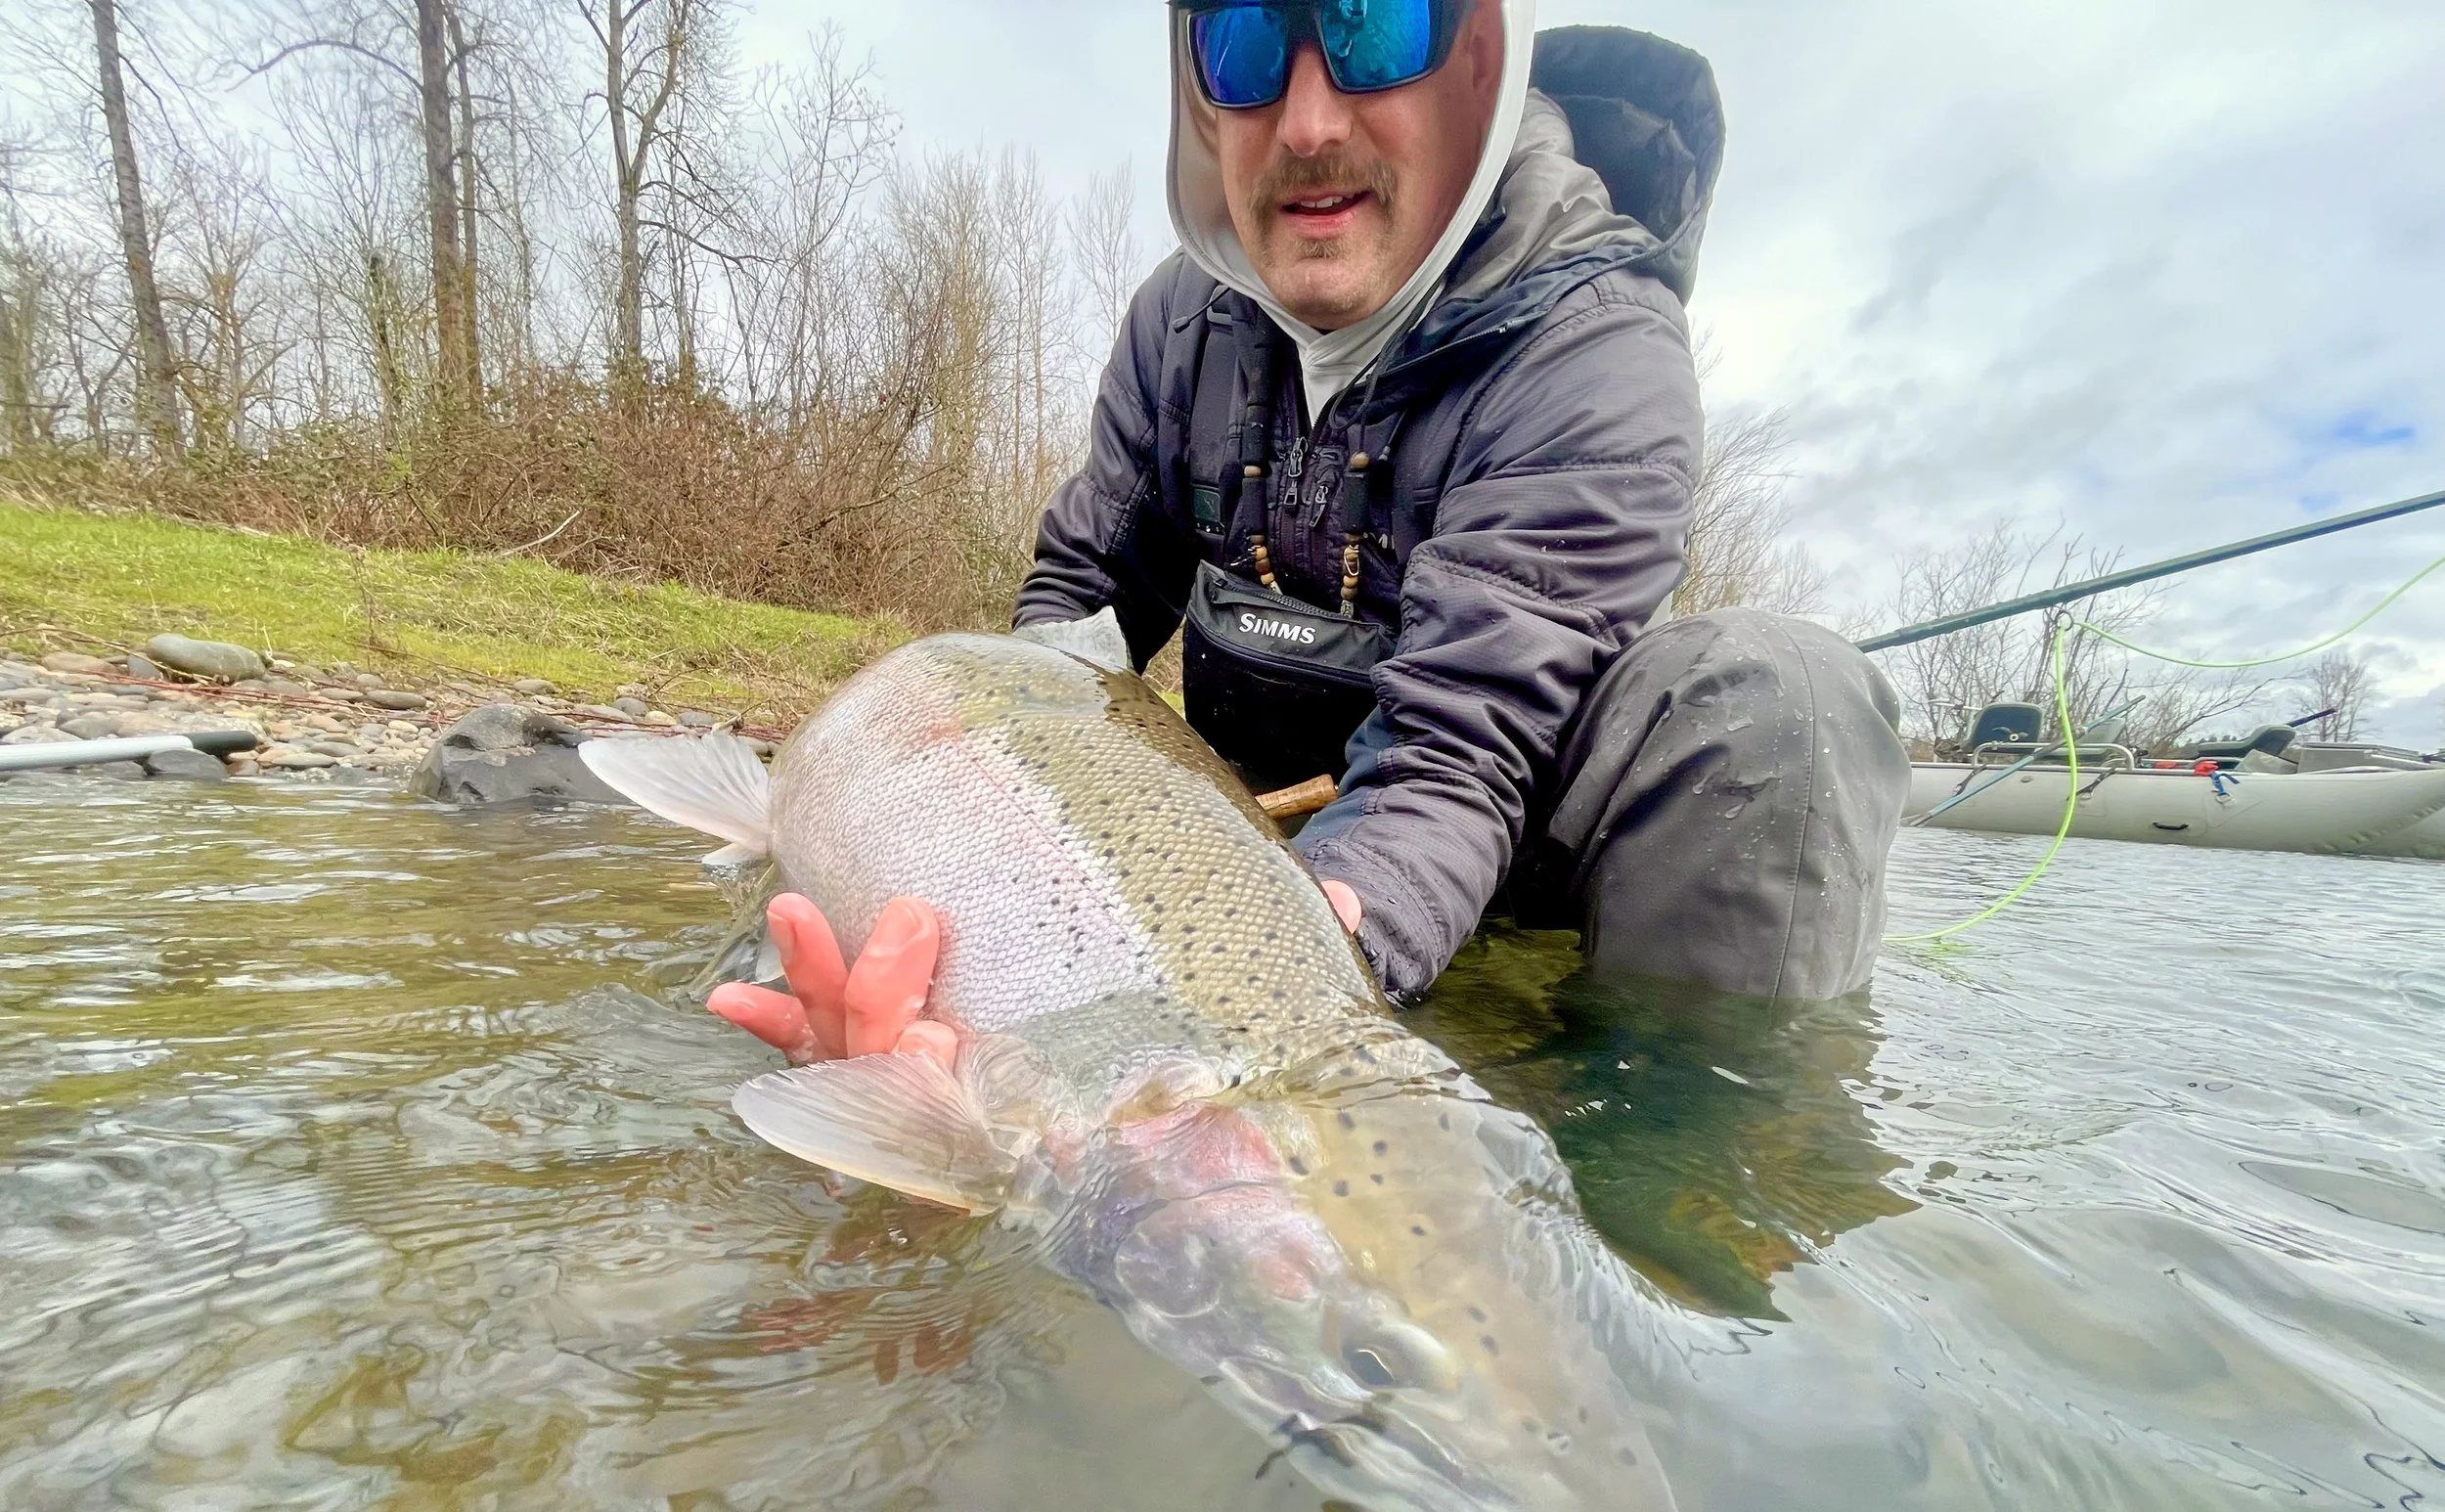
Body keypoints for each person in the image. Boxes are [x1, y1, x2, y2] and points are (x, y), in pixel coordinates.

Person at [714, 0, 1909, 1071]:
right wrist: (977, 871)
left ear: (1478, 60)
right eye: (1242, 44)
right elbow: (1074, 618)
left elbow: (1460, 748)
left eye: (1371, 28)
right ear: (1198, 95)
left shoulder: (1601, 350)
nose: (1307, 122)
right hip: (1243, 836)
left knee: (1779, 698)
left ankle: (1670, 1167)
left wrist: (1305, 995)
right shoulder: (1177, 325)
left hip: (1498, 829)